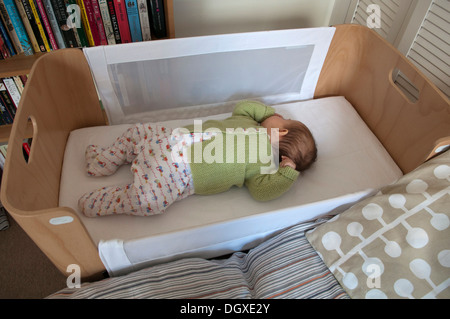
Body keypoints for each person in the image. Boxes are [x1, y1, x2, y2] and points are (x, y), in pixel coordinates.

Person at [79, 100, 317, 217]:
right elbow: (244, 106)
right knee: (137, 134)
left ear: (283, 131)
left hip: (177, 169)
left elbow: (261, 192)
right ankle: (103, 161)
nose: (276, 115)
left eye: (281, 118)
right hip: (170, 141)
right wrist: (267, 116)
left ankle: (104, 188)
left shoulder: (262, 164)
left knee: (147, 198)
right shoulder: (248, 122)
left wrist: (285, 172)